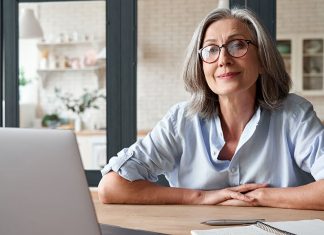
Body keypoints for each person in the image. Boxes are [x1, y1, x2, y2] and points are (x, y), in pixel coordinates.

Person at [98, 8, 324, 210]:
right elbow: (112, 187)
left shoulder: (294, 114)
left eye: (238, 45)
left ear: (263, 60)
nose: (223, 59)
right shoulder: (181, 120)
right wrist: (201, 197)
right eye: (211, 50)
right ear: (200, 66)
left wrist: (260, 196)